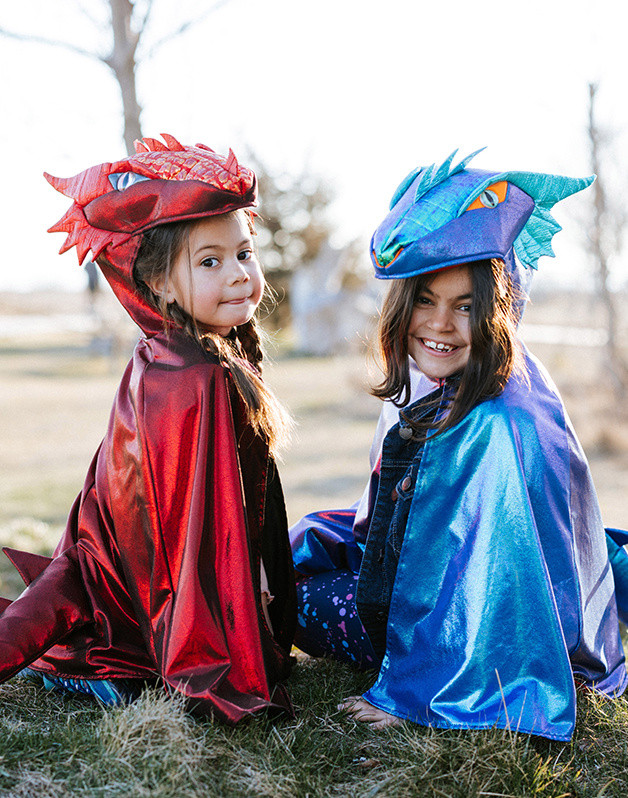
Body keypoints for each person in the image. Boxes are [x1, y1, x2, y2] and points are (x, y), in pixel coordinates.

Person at [290, 150, 628, 741]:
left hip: (446, 615)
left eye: (466, 306)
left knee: (291, 601)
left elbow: (502, 585)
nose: (441, 324)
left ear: (500, 310)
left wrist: (416, 690)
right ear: (401, 303)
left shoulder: (497, 424)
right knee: (306, 541)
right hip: (420, 572)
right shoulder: (462, 382)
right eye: (426, 299)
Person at [0, 134, 296, 724]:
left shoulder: (185, 350)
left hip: (110, 573)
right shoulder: (191, 373)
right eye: (209, 261)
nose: (239, 275)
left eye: (244, 253)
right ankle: (107, 674)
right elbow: (188, 538)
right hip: (123, 593)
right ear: (157, 284)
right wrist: (218, 659)